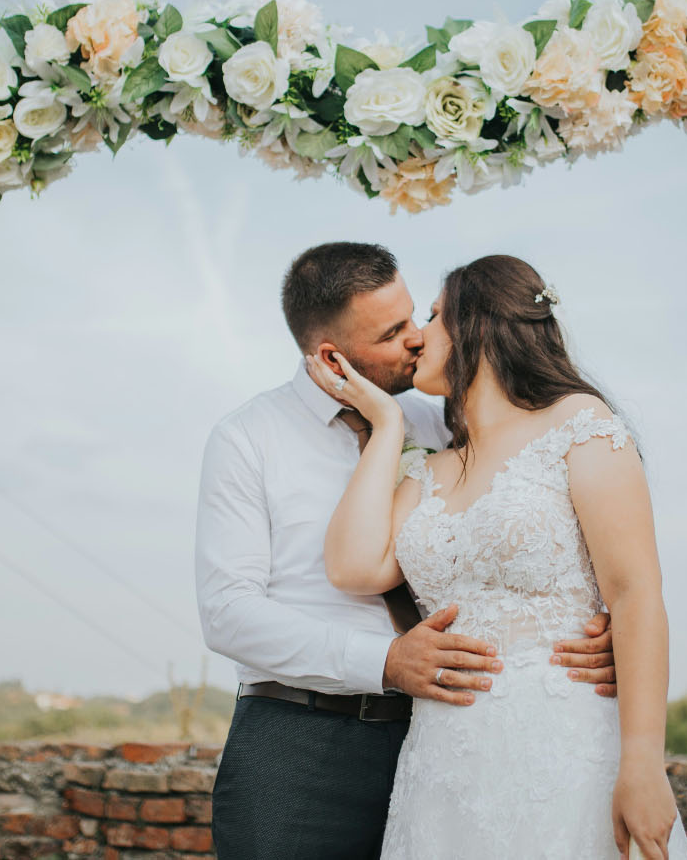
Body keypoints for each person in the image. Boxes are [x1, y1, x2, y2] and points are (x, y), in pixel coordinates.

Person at [195, 242, 621, 859]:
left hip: (451, 737)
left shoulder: (444, 421)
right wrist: (386, 661)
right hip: (304, 744)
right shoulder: (246, 440)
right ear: (332, 356)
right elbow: (227, 613)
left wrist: (588, 624)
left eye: (415, 316)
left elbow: (524, 517)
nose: (418, 338)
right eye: (394, 332)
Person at [309, 253, 687, 859]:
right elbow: (353, 567)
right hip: (443, 767)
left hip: (562, 750)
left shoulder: (579, 425)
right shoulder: (431, 468)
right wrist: (385, 424)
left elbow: (636, 592)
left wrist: (644, 763)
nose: (417, 336)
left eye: (433, 316)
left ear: (476, 325)